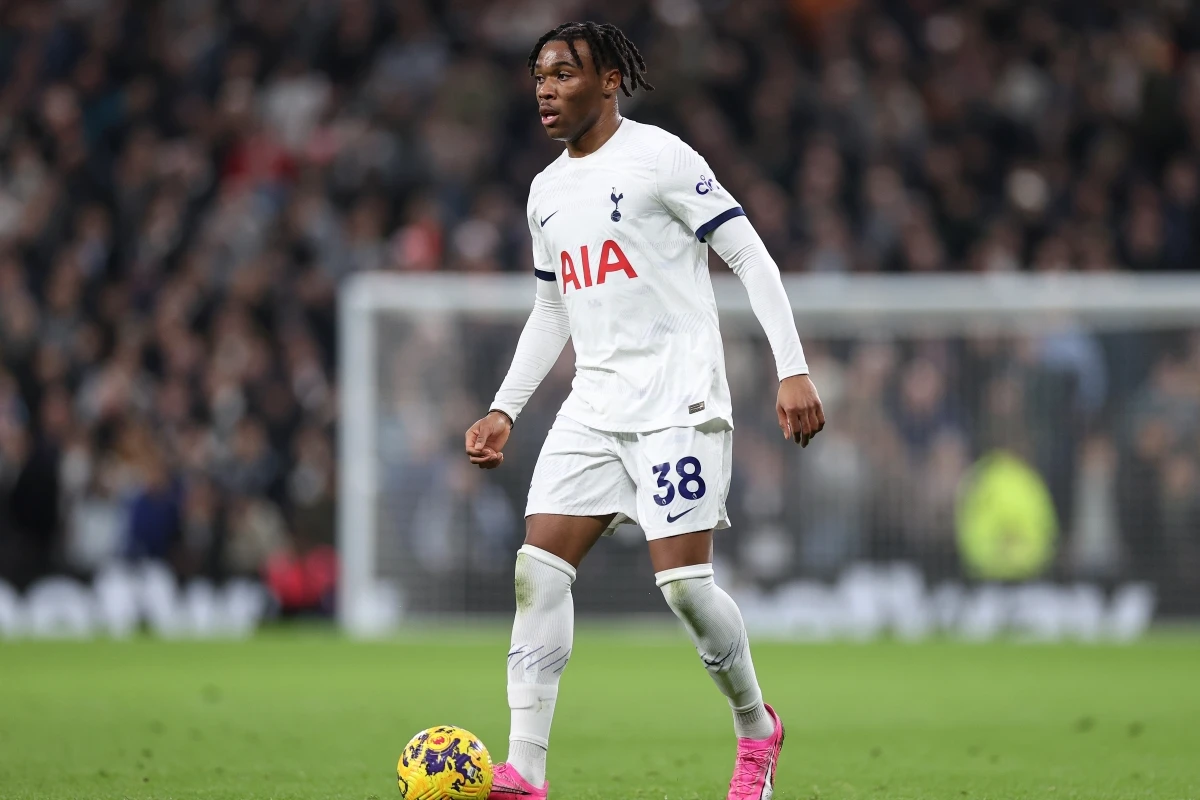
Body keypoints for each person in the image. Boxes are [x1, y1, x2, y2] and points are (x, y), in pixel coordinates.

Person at [464, 21, 824, 800]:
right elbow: (552, 308)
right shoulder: (545, 191)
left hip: (677, 403)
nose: (546, 89)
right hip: (593, 407)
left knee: (685, 588)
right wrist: (505, 408)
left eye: (564, 73)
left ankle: (756, 729)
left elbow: (749, 256)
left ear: (609, 81)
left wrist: (792, 368)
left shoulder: (662, 159)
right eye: (539, 77)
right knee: (536, 572)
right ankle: (525, 769)